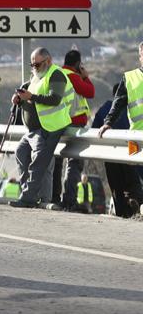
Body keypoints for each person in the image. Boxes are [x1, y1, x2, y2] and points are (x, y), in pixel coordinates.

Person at [9, 48, 71, 208]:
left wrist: (31, 97)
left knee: (38, 165)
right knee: (21, 153)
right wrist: (20, 99)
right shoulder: (37, 77)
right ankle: (28, 194)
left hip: (49, 127)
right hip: (33, 130)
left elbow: (54, 99)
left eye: (36, 64)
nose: (34, 68)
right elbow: (31, 99)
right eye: (32, 65)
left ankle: (28, 198)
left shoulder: (56, 74)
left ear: (48, 61)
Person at [95, 75, 143, 217]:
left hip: (112, 153)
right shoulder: (131, 108)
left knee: (116, 186)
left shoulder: (105, 108)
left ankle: (123, 213)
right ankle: (135, 205)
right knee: (133, 182)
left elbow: (94, 129)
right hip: (131, 148)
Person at [58, 50, 95, 209]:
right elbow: (90, 92)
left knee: (59, 162)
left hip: (60, 123)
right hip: (73, 125)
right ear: (78, 64)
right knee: (74, 163)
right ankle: (69, 200)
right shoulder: (73, 76)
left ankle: (58, 197)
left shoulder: (59, 73)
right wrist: (85, 76)